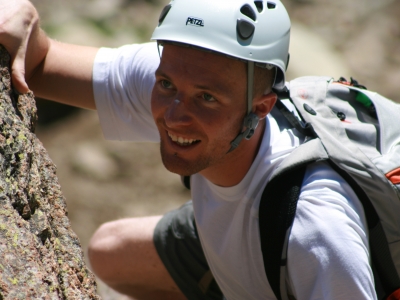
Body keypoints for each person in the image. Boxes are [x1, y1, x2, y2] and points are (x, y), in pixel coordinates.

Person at [0, 0, 377, 299]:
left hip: (287, 250)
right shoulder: (185, 74)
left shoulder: (316, 231)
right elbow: (40, 62)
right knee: (112, 250)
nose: (175, 115)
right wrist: (22, 16)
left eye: (207, 98)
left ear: (260, 108)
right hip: (252, 245)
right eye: (166, 84)